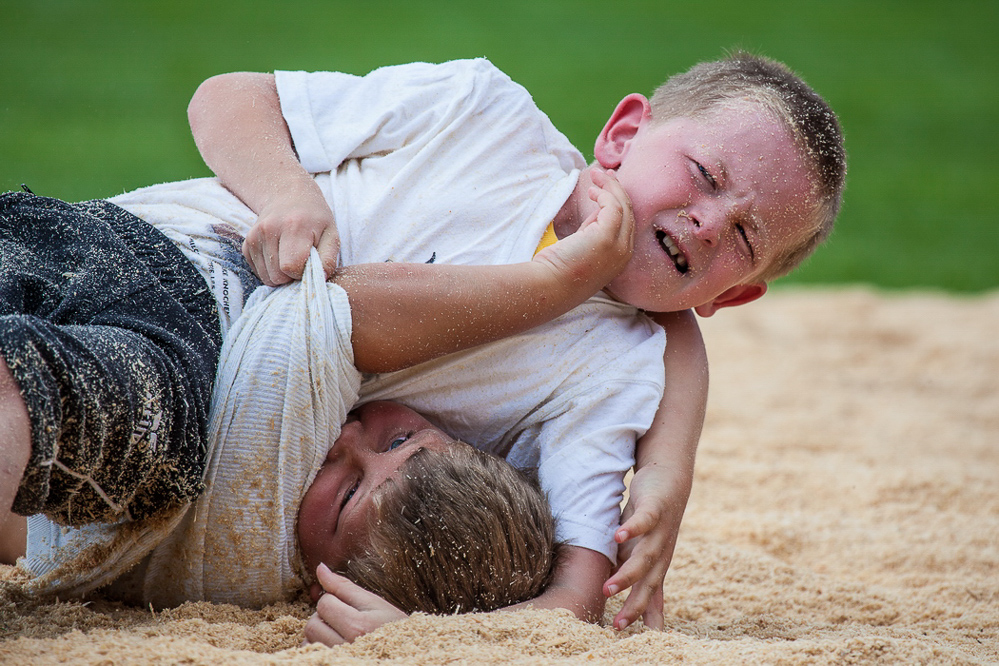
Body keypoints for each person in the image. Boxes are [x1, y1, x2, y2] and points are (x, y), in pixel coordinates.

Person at [183, 50, 846, 637]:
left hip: (200, 419)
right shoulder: (480, 113)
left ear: (726, 297)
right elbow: (227, 98)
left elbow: (579, 592)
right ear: (621, 136)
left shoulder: (613, 368)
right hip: (174, 258)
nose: (707, 222)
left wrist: (416, 637)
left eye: (743, 238)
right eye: (703, 173)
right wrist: (287, 192)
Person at [0, 163, 636, 609]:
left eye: (348, 493)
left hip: (151, 327)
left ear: (329, 585)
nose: (347, 437)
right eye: (404, 436)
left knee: (74, 411)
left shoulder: (247, 545)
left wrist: (554, 283)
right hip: (121, 263)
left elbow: (348, 307)